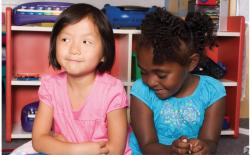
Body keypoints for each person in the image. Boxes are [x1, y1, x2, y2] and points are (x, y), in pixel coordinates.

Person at [32, 3, 131, 155]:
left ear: (104, 53)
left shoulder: (113, 90)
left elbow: (116, 149)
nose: (74, 50)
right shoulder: (50, 86)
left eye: (86, 42)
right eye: (65, 39)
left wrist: (56, 143)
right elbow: (38, 140)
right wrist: (76, 150)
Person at [129, 7, 226, 155]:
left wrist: (203, 147)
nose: (150, 81)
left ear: (191, 63)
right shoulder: (141, 91)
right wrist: (171, 151)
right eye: (143, 72)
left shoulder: (212, 92)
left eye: (161, 75)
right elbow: (147, 145)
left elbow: (211, 142)